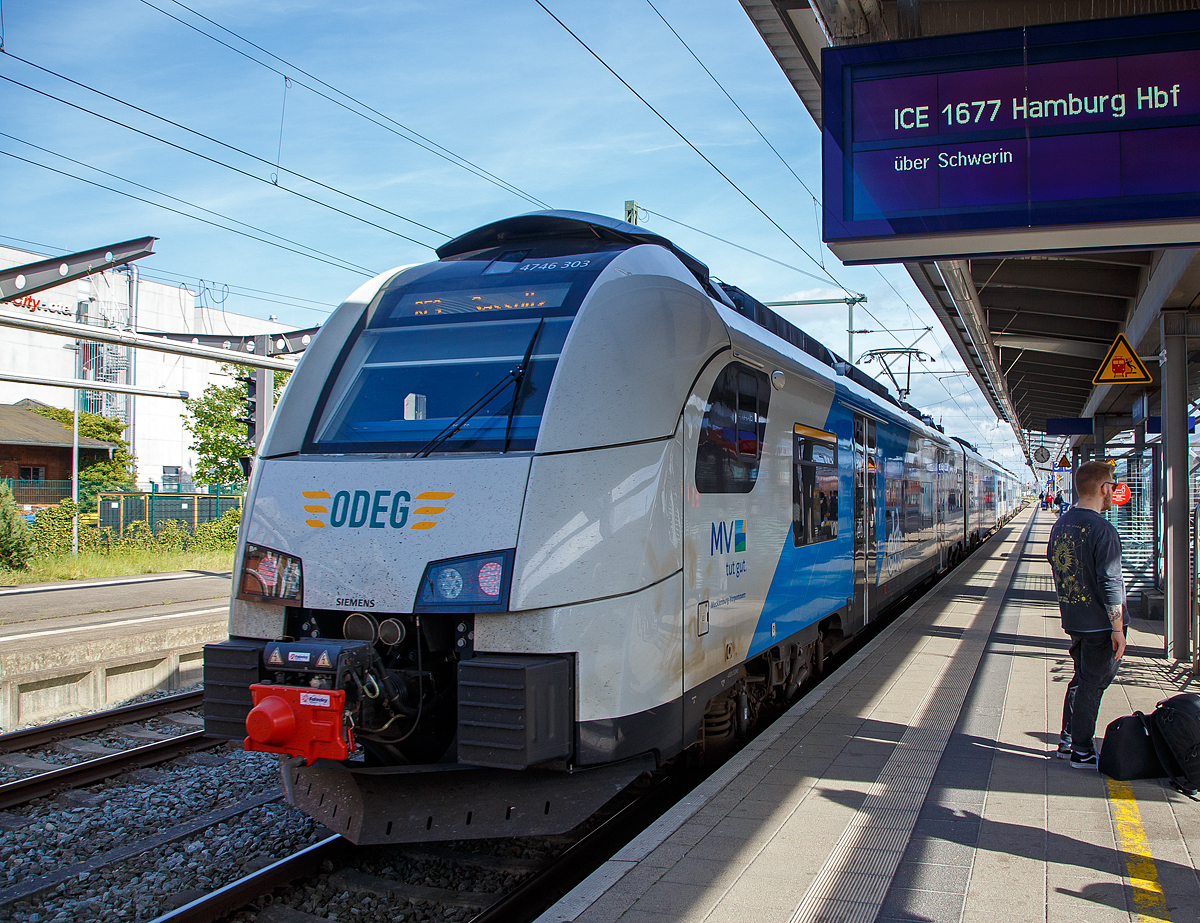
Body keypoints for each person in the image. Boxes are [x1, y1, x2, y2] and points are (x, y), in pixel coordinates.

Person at [1046, 461, 1128, 768]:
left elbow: (1054, 562)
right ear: (1103, 488)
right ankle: (1081, 750)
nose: (1113, 492)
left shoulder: (1061, 524)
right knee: (1093, 684)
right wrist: (1117, 628)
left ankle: (1068, 740)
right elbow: (1110, 580)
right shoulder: (1102, 529)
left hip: (1075, 619)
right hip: (1100, 624)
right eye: (1112, 486)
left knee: (1081, 679)